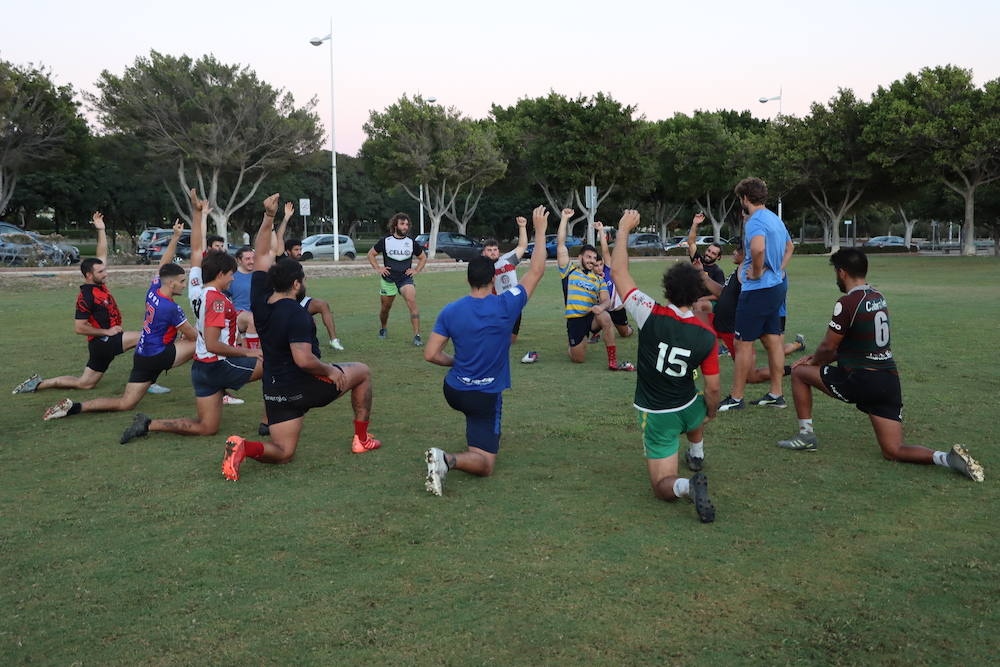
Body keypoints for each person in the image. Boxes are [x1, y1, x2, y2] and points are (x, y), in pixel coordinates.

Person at [776, 248, 984, 482]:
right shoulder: (878, 297)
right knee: (893, 450)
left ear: (842, 272)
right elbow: (857, 344)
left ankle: (806, 436)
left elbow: (828, 347)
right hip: (888, 381)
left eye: (836, 272)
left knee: (799, 373)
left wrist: (813, 361)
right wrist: (824, 358)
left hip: (861, 379)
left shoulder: (847, 303)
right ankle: (946, 458)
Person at [221, 194, 380, 482]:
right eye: (303, 279)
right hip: (303, 385)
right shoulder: (297, 314)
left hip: (274, 389)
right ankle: (361, 439)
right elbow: (304, 360)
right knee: (364, 371)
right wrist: (330, 370)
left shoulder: (260, 299)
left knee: (283, 451)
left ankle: (244, 447)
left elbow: (259, 254)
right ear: (296, 284)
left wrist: (269, 217)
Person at [423, 205, 549, 496]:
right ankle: (447, 459)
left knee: (474, 418)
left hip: (454, 390)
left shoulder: (450, 311)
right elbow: (538, 269)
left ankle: (473, 439)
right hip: (484, 396)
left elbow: (430, 354)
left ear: (468, 279)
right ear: (493, 279)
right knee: (485, 463)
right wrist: (539, 229)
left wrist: (455, 361)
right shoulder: (506, 304)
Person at [119, 193, 263, 444]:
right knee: (276, 364)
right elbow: (213, 344)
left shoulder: (196, 288)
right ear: (220, 273)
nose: (233, 278)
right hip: (219, 364)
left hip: (201, 369)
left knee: (207, 428)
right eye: (230, 274)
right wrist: (249, 353)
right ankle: (270, 423)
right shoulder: (217, 299)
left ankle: (149, 424)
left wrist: (198, 215)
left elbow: (197, 248)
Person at [613, 209, 720, 523]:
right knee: (700, 404)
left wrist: (622, 231)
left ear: (667, 289)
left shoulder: (649, 313)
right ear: (698, 292)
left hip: (659, 415)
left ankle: (688, 486)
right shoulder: (706, 336)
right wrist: (710, 410)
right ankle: (696, 451)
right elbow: (712, 388)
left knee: (661, 486)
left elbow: (619, 273)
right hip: (689, 407)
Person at [42, 221, 197, 421]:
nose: (184, 286)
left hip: (142, 354)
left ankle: (75, 407)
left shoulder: (153, 291)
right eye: (182, 281)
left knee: (126, 403)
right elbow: (193, 335)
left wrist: (175, 237)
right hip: (158, 355)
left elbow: (163, 266)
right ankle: (218, 390)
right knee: (204, 344)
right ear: (171, 282)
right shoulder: (171, 307)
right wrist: (194, 335)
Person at [13, 212, 141, 395]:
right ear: (89, 275)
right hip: (104, 341)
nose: (105, 273)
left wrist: (101, 229)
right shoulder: (86, 296)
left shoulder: (100, 284)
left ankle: (38, 384)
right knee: (146, 337)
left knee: (85, 384)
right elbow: (79, 328)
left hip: (103, 344)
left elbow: (102, 253)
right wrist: (107, 331)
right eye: (101, 271)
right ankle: (146, 380)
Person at [699, 243, 806, 406]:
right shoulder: (739, 271)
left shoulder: (750, 273)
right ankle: (795, 353)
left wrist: (758, 271)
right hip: (728, 328)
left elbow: (777, 270)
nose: (734, 252)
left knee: (755, 370)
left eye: (738, 250)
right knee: (773, 346)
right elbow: (723, 293)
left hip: (735, 328)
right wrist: (703, 276)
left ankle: (796, 368)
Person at [726, 177, 794, 409]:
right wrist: (778, 269)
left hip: (758, 290)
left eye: (739, 199)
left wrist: (756, 272)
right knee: (772, 340)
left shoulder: (755, 220)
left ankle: (736, 398)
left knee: (742, 343)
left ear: (745, 198)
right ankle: (776, 394)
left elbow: (757, 248)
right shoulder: (775, 218)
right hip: (776, 286)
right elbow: (790, 247)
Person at [556, 208, 633, 371]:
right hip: (575, 319)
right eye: (588, 257)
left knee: (605, 317)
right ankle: (573, 348)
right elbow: (561, 244)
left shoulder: (599, 279)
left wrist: (601, 306)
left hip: (591, 317)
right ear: (580, 258)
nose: (591, 260)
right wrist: (564, 219)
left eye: (593, 258)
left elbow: (605, 299)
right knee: (579, 359)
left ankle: (612, 360)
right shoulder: (569, 271)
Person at [275, 203, 344, 350]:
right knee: (306, 322)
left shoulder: (298, 265)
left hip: (301, 299)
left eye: (301, 249)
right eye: (296, 249)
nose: (300, 252)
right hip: (287, 301)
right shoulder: (281, 260)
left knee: (322, 305)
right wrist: (286, 218)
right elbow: (279, 236)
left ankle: (334, 340)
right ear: (287, 251)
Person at [367, 213, 427, 346]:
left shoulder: (411, 242)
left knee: (412, 301)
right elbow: (371, 254)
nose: (405, 227)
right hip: (388, 279)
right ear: (395, 225)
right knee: (385, 309)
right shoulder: (385, 241)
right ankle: (383, 328)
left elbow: (423, 257)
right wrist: (378, 268)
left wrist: (416, 270)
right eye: (402, 224)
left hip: (405, 279)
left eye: (407, 224)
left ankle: (417, 336)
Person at [480, 215, 531, 358]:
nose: (492, 252)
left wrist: (522, 227)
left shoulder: (507, 260)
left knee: (511, 341)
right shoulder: (482, 267)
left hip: (514, 303)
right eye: (489, 250)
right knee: (495, 338)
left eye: (495, 250)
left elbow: (522, 246)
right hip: (495, 305)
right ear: (484, 252)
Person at [594, 220, 635, 340]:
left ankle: (629, 328)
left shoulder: (607, 269)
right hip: (601, 308)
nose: (599, 267)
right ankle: (594, 332)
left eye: (600, 264)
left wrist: (601, 231)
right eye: (596, 265)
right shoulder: (591, 277)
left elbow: (605, 250)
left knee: (625, 333)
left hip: (616, 307)